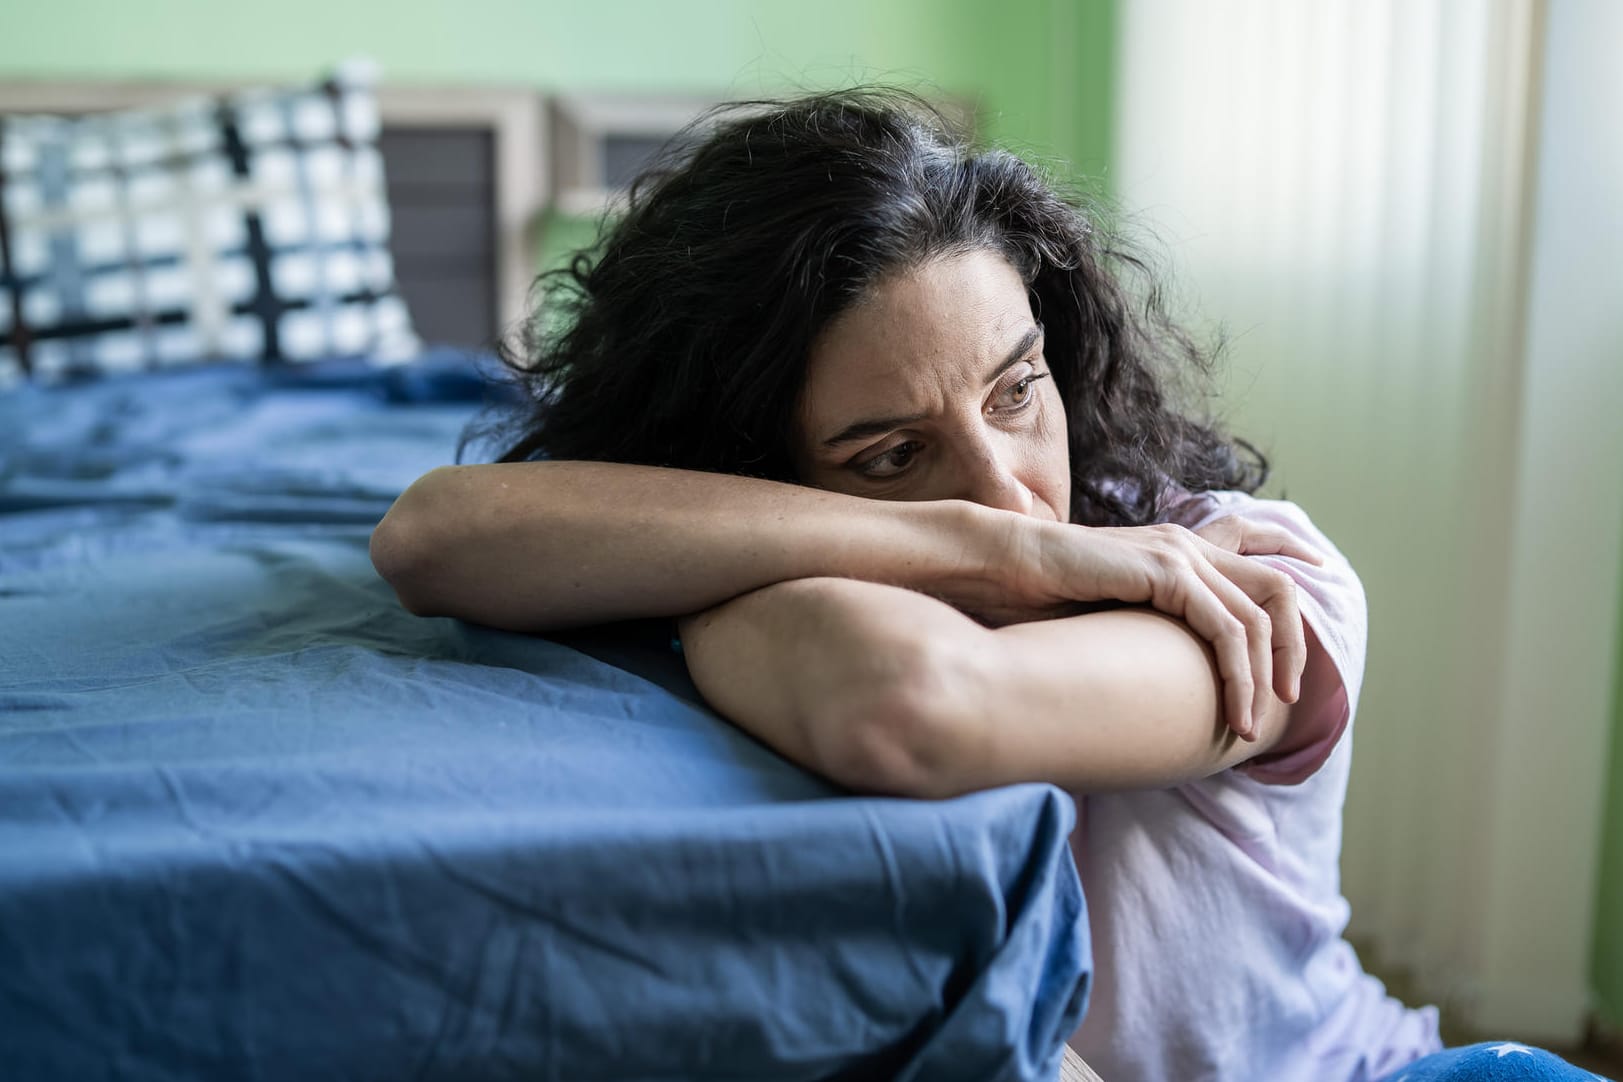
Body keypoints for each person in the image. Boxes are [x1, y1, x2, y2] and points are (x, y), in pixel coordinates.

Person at [370, 89, 1602, 1082]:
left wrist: (735, 550)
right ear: (753, 465)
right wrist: (1000, 553)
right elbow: (432, 536)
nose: (1012, 490)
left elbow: (912, 701)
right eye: (894, 454)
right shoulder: (974, 541)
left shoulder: (1249, 583)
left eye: (1019, 390)